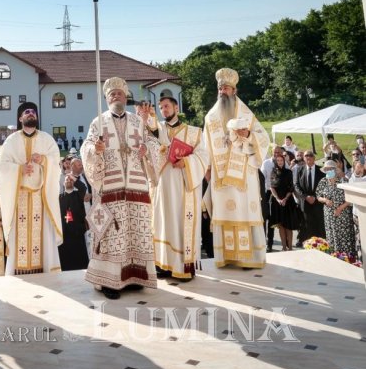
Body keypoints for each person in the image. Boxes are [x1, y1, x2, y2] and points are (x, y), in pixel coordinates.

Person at [82, 77, 160, 299]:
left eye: (119, 93)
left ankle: (135, 277)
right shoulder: (98, 122)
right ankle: (109, 282)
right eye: (111, 94)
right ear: (106, 99)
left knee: (137, 233)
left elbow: (153, 143)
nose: (116, 96)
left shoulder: (138, 122)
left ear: (125, 97)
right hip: (110, 187)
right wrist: (94, 150)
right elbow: (86, 146)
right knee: (112, 236)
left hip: (136, 186)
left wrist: (148, 150)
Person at [203, 67, 269, 269]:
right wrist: (207, 169)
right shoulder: (210, 117)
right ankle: (227, 257)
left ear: (234, 91)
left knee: (245, 212)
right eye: (220, 88)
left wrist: (248, 135)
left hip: (244, 176)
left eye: (227, 88)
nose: (223, 91)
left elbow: (264, 139)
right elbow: (206, 145)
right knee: (226, 212)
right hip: (220, 177)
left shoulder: (247, 114)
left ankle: (250, 258)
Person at [0, 101, 62, 275]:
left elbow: (56, 162)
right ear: (20, 118)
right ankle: (17, 273)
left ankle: (46, 271)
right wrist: (19, 169)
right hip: (19, 200)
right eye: (27, 112)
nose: (31, 114)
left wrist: (44, 160)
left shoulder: (46, 139)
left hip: (41, 200)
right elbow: (1, 167)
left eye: (33, 112)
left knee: (43, 241)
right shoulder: (11, 141)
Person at [151, 92, 208, 281]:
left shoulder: (193, 132)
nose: (163, 110)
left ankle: (183, 267)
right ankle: (163, 265)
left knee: (179, 224)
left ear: (176, 108)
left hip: (184, 187)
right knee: (164, 223)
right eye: (161, 107)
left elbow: (203, 157)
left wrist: (186, 162)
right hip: (163, 186)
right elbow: (148, 151)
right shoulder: (156, 129)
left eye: (167, 106)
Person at [316, 160, 356, 257]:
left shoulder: (343, 181)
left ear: (335, 170)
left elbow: (351, 198)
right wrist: (325, 200)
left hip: (343, 216)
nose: (328, 171)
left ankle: (347, 258)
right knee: (331, 237)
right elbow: (318, 196)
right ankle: (334, 256)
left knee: (344, 237)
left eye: (330, 169)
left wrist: (340, 208)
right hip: (329, 215)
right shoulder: (323, 181)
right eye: (326, 169)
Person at [268, 153, 300, 251]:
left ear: (284, 161)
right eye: (278, 161)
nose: (280, 162)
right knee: (281, 226)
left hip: (288, 201)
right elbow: (272, 187)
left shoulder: (288, 172)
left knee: (288, 226)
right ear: (275, 162)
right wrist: (278, 199)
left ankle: (290, 247)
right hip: (277, 202)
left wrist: (285, 199)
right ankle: (284, 248)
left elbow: (291, 187)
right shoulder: (273, 172)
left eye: (281, 160)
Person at [58, 171, 89, 271]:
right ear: (63, 184)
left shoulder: (78, 195)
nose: (68, 182)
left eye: (70, 181)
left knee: (80, 261)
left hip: (77, 232)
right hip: (65, 234)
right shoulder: (59, 198)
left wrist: (73, 178)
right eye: (66, 180)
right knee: (65, 262)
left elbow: (83, 187)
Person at [294, 150, 326, 241]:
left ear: (314, 158)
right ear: (303, 158)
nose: (308, 157)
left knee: (319, 226)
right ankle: (309, 246)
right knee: (307, 227)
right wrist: (305, 197)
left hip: (318, 203)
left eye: (310, 155)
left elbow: (324, 186)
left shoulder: (321, 170)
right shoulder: (299, 170)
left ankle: (321, 246)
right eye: (306, 155)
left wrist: (315, 197)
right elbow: (296, 186)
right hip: (305, 203)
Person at [260, 145, 287, 253]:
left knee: (272, 221)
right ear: (272, 152)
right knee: (264, 218)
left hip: (279, 195)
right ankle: (263, 243)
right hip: (267, 193)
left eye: (278, 152)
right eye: (275, 152)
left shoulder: (283, 163)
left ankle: (270, 244)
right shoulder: (266, 163)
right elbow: (262, 178)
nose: (276, 154)